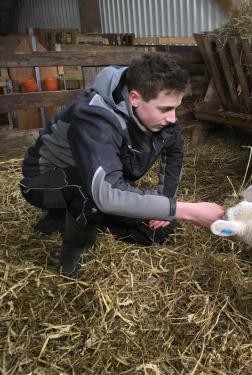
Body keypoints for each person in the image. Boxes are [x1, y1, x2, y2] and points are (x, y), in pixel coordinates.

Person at [19, 53, 225, 277]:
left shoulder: (161, 114)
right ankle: (74, 253)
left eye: (176, 107)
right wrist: (188, 211)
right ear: (135, 98)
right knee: (93, 195)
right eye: (165, 109)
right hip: (46, 181)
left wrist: (165, 207)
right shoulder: (94, 116)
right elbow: (107, 193)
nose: (173, 118)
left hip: (97, 176)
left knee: (162, 232)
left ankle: (77, 219)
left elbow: (173, 153)